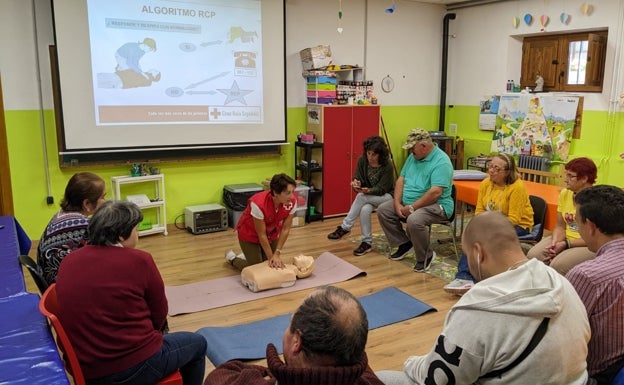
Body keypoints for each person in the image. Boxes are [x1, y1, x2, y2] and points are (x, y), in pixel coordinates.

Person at [376, 211, 590, 385]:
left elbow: (436, 378)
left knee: (377, 378)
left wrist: (411, 362)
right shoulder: (561, 280)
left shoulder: (477, 307)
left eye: (467, 255)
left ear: (478, 253)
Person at [56, 201, 207, 385]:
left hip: (85, 370)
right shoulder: (140, 261)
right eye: (136, 230)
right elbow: (159, 314)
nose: (138, 235)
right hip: (131, 368)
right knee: (198, 343)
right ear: (121, 235)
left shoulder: (68, 261)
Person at [204, 285, 384, 385]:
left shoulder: (245, 380)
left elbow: (218, 377)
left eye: (290, 322)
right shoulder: (369, 380)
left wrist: (271, 372)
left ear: (296, 342)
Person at [444, 153, 534, 295]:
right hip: (492, 224)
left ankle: (478, 280)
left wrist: (489, 229)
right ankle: (464, 278)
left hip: (517, 226)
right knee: (473, 236)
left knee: (485, 240)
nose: (491, 171)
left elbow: (514, 219)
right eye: (490, 166)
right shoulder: (486, 183)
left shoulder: (517, 187)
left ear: (507, 172)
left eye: (496, 169)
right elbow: (479, 209)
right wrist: (481, 226)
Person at [567, 185, 624, 385]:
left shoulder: (588, 275)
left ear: (590, 226)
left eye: (577, 223)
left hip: (599, 374)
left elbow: (562, 335)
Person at [376, 128, 454, 272]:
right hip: (410, 202)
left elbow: (435, 192)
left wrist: (412, 207)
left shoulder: (442, 161)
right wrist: (397, 203)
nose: (411, 152)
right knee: (383, 210)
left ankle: (425, 256)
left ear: (423, 146)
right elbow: (401, 179)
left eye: (413, 149)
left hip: (437, 205)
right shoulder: (414, 157)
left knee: (414, 220)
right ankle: (404, 243)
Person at [527, 157, 597, 275]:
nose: (565, 180)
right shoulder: (565, 193)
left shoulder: (596, 200)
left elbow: (596, 237)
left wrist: (566, 245)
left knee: (558, 265)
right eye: (566, 175)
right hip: (565, 239)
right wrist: (554, 243)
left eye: (570, 176)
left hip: (588, 244)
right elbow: (560, 226)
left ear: (584, 178)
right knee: (533, 256)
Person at [327, 136, 395, 256]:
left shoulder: (387, 166)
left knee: (361, 197)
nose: (370, 157)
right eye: (368, 153)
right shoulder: (362, 160)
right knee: (364, 209)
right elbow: (357, 177)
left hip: (387, 196)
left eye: (374, 154)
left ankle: (345, 227)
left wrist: (367, 190)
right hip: (369, 195)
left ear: (381, 155)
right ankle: (366, 243)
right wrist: (356, 182)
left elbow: (382, 189)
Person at [37, 172, 106, 285]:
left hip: (52, 284)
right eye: (103, 197)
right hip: (63, 288)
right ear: (87, 203)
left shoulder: (61, 215)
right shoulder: (83, 225)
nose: (106, 201)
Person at [228, 173, 297, 270]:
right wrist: (271, 258)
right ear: (275, 193)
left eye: (293, 191)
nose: (291, 196)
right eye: (287, 193)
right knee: (259, 268)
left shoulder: (292, 201)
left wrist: (277, 253)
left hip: (270, 233)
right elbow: (261, 234)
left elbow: (285, 229)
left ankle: (250, 256)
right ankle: (233, 259)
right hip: (250, 234)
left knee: (271, 264)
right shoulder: (258, 203)